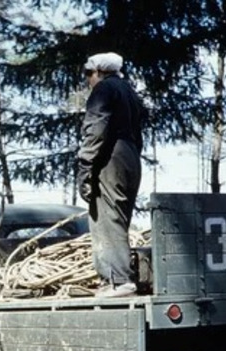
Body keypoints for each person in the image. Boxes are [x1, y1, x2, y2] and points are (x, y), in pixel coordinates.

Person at [77, 51, 144, 298]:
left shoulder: (104, 90)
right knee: (119, 215)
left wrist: (85, 167)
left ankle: (120, 281)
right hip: (131, 156)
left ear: (100, 72)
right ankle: (114, 279)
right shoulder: (129, 92)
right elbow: (139, 132)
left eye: (88, 73)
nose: (87, 80)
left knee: (106, 216)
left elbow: (96, 130)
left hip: (110, 157)